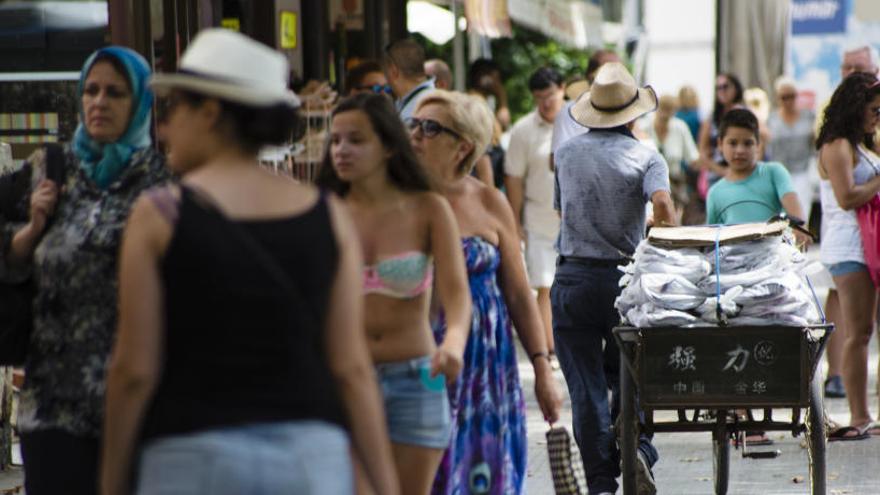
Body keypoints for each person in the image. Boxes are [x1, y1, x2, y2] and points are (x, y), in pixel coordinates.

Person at [99, 29, 399, 494]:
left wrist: (112, 480)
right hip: (309, 459)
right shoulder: (329, 216)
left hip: (190, 458)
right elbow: (351, 367)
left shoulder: (159, 215)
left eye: (176, 107)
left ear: (212, 112)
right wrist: (385, 484)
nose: (164, 126)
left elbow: (134, 370)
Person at [0, 46, 171, 494]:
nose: (99, 102)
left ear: (139, 104)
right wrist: (26, 236)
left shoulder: (160, 182)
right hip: (54, 404)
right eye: (90, 90)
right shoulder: (51, 170)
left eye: (115, 93)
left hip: (142, 407)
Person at [316, 92, 472, 493]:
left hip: (418, 377)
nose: (342, 151)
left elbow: (457, 297)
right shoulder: (323, 211)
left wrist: (453, 343)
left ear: (387, 146)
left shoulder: (428, 209)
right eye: (335, 141)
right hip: (345, 379)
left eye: (355, 140)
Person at [409, 90, 563, 494]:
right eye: (412, 124)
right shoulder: (398, 200)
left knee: (487, 474)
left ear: (463, 146)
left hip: (486, 373)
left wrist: (543, 369)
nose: (414, 135)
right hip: (421, 362)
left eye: (429, 128)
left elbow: (517, 294)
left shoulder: (490, 203)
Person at [553, 62, 675, 495]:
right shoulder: (647, 156)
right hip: (626, 281)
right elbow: (662, 205)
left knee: (585, 386)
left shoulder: (565, 154)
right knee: (635, 371)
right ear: (633, 114)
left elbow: (561, 211)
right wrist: (668, 241)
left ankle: (602, 483)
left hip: (572, 278)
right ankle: (637, 449)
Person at [816, 71, 880, 441]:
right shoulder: (837, 144)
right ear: (856, 107)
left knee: (865, 331)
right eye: (873, 108)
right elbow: (847, 197)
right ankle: (858, 414)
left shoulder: (859, 145)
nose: (877, 115)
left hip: (863, 246)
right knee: (859, 333)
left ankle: (864, 412)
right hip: (849, 247)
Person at [505, 67, 565, 364]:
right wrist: (515, 223)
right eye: (539, 97)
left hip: (572, 222)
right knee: (544, 285)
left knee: (566, 284)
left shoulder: (576, 122)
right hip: (538, 219)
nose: (546, 103)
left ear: (562, 90)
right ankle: (550, 350)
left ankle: (565, 346)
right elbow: (513, 178)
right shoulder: (523, 130)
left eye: (550, 95)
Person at [706, 108, 806, 226]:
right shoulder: (715, 193)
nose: (740, 150)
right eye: (733, 143)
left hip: (773, 244)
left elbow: (795, 213)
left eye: (748, 143)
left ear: (758, 144)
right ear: (720, 144)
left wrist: (800, 230)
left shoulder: (774, 173)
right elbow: (713, 238)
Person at [551, 49, 621, 168]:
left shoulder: (627, 109)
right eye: (608, 69)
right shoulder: (570, 112)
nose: (616, 76)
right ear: (591, 75)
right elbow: (557, 160)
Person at [640, 94, 699, 223]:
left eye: (670, 110)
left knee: (672, 224)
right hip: (647, 185)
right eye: (663, 109)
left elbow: (693, 158)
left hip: (675, 187)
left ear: (675, 111)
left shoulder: (680, 127)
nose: (665, 115)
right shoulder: (643, 126)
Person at [385, 38, 435, 121]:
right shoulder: (435, 98)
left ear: (393, 71)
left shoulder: (417, 111)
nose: (385, 79)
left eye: (385, 70)